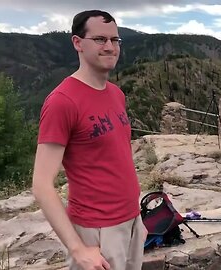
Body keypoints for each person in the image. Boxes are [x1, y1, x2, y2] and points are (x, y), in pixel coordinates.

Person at [32, 10, 145, 270]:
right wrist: (78, 248)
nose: (110, 47)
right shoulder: (62, 102)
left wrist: (136, 222)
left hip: (130, 223)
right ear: (77, 43)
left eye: (115, 40)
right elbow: (41, 184)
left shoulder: (116, 94)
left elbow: (117, 160)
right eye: (100, 40)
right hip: (96, 231)